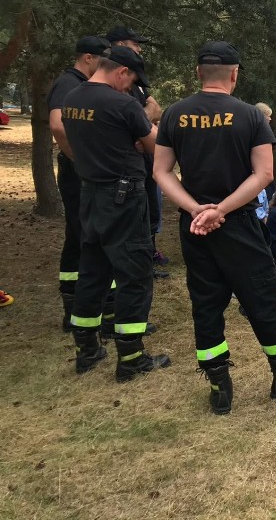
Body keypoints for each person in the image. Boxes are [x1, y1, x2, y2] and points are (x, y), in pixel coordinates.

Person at [153, 41, 276, 414]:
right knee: (262, 298)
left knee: (206, 304)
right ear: (234, 74)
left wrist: (198, 209)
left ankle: (219, 386)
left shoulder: (174, 114)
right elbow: (263, 174)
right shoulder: (249, 116)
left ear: (198, 73)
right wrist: (223, 210)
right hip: (239, 224)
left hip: (195, 226)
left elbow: (161, 171)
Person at [62, 46, 170, 381]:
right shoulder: (121, 103)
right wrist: (150, 118)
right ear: (121, 72)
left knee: (93, 270)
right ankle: (131, 358)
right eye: (131, 80)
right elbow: (155, 146)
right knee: (134, 274)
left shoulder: (73, 98)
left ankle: (87, 350)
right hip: (123, 196)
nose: (130, 88)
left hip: (90, 195)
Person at [47, 35, 111, 331]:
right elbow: (58, 125)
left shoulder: (78, 85)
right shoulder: (68, 83)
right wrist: (80, 160)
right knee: (82, 236)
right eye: (102, 61)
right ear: (88, 58)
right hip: (78, 173)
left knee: (81, 234)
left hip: (82, 171)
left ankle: (80, 308)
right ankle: (76, 309)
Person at [106, 26, 168, 275]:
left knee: (150, 208)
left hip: (144, 158)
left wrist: (143, 126)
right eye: (135, 44)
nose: (140, 48)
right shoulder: (111, 83)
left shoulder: (136, 84)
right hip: (125, 164)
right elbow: (126, 119)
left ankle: (148, 252)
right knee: (133, 214)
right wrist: (142, 126)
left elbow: (156, 108)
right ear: (119, 45)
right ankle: (136, 262)